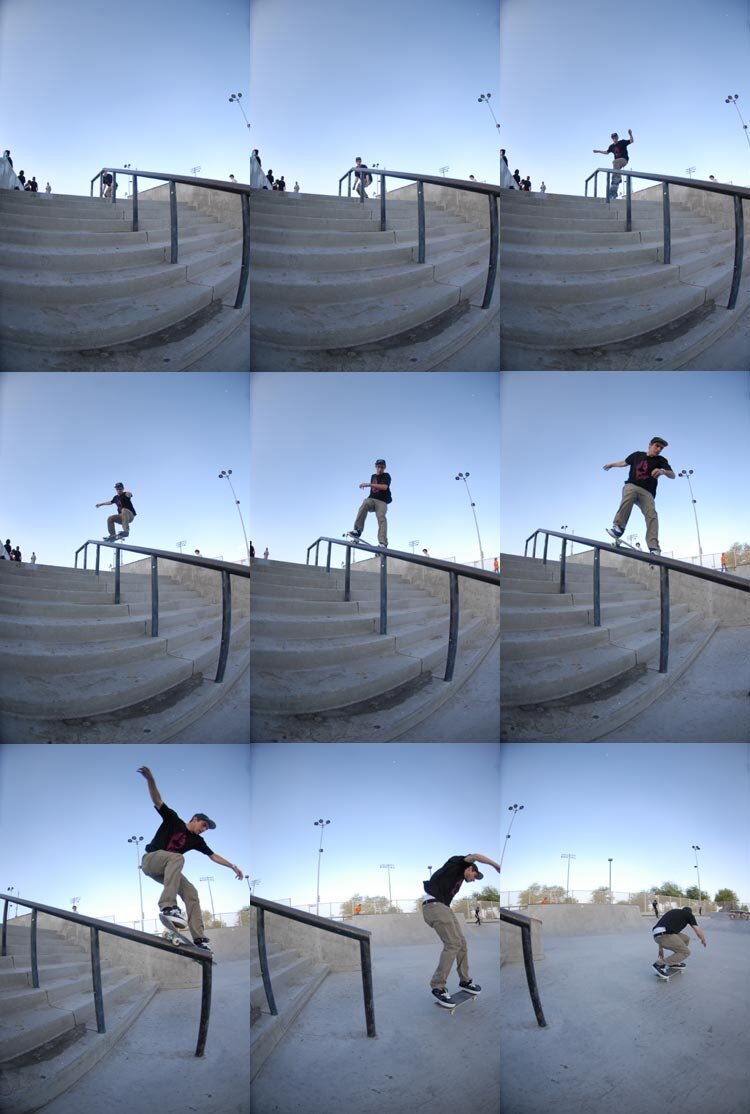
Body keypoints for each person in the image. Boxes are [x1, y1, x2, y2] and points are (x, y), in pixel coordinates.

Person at [137, 766, 244, 954]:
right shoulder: (173, 820)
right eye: (203, 825)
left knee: (191, 892)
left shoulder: (197, 841)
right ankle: (168, 906)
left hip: (167, 870)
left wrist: (232, 866)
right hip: (151, 861)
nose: (203, 830)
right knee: (176, 858)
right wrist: (150, 780)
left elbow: (213, 856)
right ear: (194, 819)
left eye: (206, 829)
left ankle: (199, 938)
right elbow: (157, 799)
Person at [421, 852, 500, 1007]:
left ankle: (465, 980)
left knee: (461, 943)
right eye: (474, 876)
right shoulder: (457, 865)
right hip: (434, 906)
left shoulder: (459, 878)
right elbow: (475, 855)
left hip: (443, 907)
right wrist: (496, 865)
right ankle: (438, 986)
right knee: (452, 944)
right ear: (470, 868)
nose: (473, 880)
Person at [603, 437, 674, 556]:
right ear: (650, 445)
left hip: (648, 492)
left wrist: (662, 471)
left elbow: (673, 475)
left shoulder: (661, 460)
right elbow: (624, 462)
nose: (659, 449)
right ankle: (619, 527)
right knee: (629, 494)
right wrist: (612, 464)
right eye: (657, 446)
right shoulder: (637, 455)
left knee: (652, 514)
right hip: (632, 485)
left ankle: (654, 547)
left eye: (661, 448)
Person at [652, 905, 706, 979]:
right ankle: (659, 964)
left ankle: (673, 961)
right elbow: (697, 929)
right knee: (686, 952)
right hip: (665, 935)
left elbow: (661, 929)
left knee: (686, 938)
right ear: (690, 912)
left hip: (657, 935)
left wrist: (660, 949)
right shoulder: (689, 914)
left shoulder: (674, 912)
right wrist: (703, 939)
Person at [350, 459, 391, 547]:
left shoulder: (386, 475)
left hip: (382, 502)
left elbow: (384, 487)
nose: (380, 469)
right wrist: (370, 485)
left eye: (382, 467)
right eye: (378, 467)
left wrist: (369, 484)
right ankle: (357, 531)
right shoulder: (373, 476)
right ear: (375, 466)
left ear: (385, 467)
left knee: (381, 517)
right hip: (372, 500)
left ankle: (383, 542)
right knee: (365, 503)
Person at [594, 129, 634, 198]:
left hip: (624, 160)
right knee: (615, 167)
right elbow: (606, 152)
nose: (614, 139)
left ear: (617, 137)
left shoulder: (622, 142)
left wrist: (630, 134)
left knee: (615, 162)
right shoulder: (611, 146)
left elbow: (631, 141)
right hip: (618, 164)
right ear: (612, 139)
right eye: (613, 138)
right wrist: (598, 151)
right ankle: (615, 189)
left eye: (615, 137)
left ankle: (616, 179)